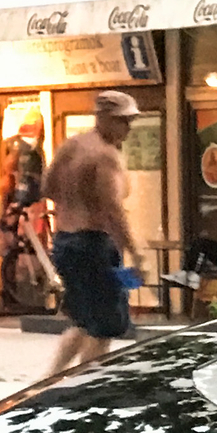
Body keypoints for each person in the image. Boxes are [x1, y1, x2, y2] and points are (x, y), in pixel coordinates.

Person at [40, 90, 145, 377]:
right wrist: (135, 253)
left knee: (84, 320)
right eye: (122, 121)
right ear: (103, 119)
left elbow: (47, 187)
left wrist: (72, 202)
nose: (127, 128)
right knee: (105, 326)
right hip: (93, 242)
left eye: (130, 121)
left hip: (65, 241)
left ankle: (50, 379)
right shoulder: (105, 156)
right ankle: (83, 383)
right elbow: (113, 210)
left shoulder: (71, 146)